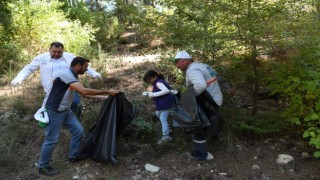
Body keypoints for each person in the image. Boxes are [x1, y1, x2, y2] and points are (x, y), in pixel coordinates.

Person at [36, 56, 119, 176]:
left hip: (65, 110)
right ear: (78, 66)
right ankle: (43, 166)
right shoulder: (65, 74)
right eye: (85, 66)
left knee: (78, 131)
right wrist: (107, 91)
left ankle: (73, 156)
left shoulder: (73, 76)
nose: (86, 69)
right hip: (54, 111)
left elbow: (84, 95)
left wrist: (107, 98)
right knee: (51, 140)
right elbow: (84, 91)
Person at [10, 42, 102, 115]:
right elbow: (29, 68)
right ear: (50, 50)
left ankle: (75, 118)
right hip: (51, 88)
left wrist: (94, 73)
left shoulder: (69, 56)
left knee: (75, 102)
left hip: (70, 85)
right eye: (54, 51)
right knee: (53, 107)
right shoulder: (42, 58)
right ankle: (56, 121)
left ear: (63, 50)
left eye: (59, 52)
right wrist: (18, 79)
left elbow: (82, 64)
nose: (56, 54)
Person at [170, 51, 223, 161]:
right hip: (215, 100)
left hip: (208, 102)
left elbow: (200, 86)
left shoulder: (192, 70)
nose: (177, 65)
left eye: (178, 62)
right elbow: (217, 79)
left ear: (186, 60)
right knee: (205, 125)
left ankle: (200, 154)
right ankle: (209, 145)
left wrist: (187, 98)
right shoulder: (204, 65)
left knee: (197, 127)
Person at [142, 70, 176, 144]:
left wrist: (153, 94)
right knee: (158, 114)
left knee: (163, 119)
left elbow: (166, 91)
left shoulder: (158, 83)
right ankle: (168, 128)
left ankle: (166, 136)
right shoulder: (156, 82)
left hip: (165, 103)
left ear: (155, 77)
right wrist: (149, 93)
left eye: (149, 79)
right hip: (161, 103)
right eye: (148, 81)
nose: (149, 81)